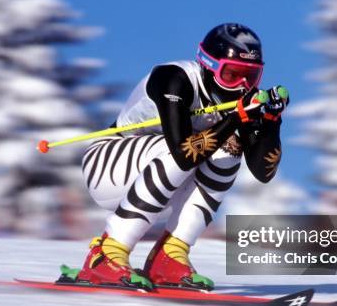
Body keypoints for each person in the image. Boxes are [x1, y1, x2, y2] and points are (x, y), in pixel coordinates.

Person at [61, 23, 289, 290]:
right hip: (107, 165)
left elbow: (263, 172)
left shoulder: (243, 98)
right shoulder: (174, 79)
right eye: (231, 74)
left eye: (250, 76)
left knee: (229, 150)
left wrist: (272, 121)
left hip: (157, 182)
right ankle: (107, 253)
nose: (241, 85)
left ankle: (170, 255)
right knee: (188, 146)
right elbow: (183, 153)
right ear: (209, 65)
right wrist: (235, 119)